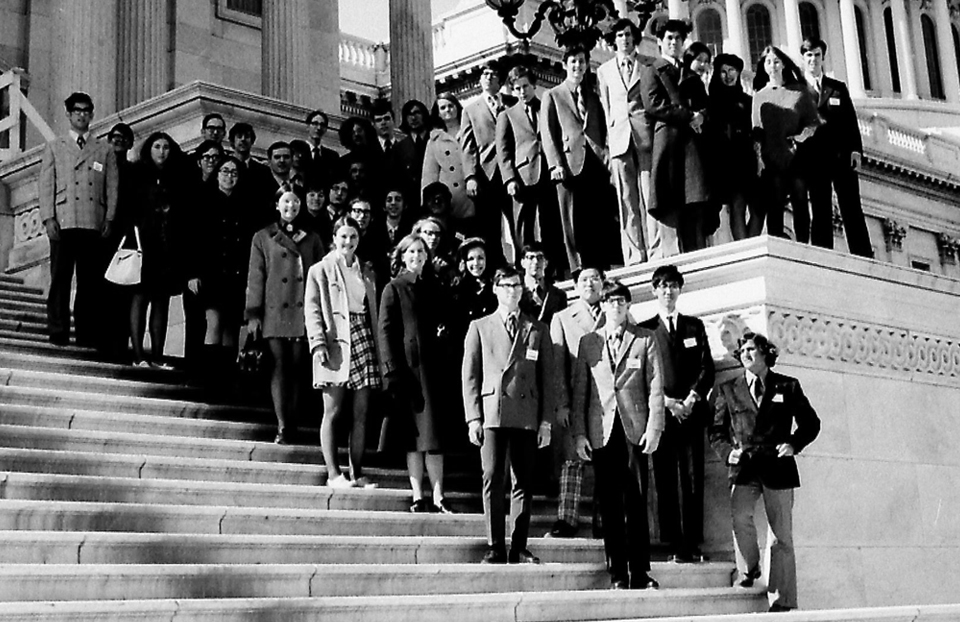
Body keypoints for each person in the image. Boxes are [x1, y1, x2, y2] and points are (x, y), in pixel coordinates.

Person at [709, 332, 821, 612]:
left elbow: (811, 423)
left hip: (778, 467)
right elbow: (716, 431)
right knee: (740, 517)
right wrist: (727, 453)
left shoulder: (788, 385)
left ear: (766, 354)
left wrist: (794, 444)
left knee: (782, 536)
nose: (746, 354)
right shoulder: (728, 388)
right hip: (744, 466)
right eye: (743, 350)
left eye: (752, 350)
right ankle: (751, 567)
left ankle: (783, 600)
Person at [571, 279, 664, 590]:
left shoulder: (645, 339)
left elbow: (654, 387)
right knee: (610, 504)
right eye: (611, 302)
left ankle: (640, 571)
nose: (617, 307)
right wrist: (580, 433)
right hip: (601, 429)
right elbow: (581, 390)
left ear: (628, 306)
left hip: (634, 430)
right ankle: (617, 572)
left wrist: (655, 428)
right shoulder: (589, 342)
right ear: (604, 306)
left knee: (637, 501)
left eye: (622, 302)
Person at [462, 266, 553, 565]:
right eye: (505, 285)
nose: (511, 290)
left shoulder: (537, 329)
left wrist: (545, 421)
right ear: (495, 289)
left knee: (523, 480)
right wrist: (473, 417)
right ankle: (494, 544)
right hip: (492, 412)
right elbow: (470, 375)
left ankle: (519, 544)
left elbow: (546, 379)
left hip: (527, 412)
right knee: (492, 476)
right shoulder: (480, 326)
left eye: (516, 285)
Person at [638, 265, 715, 563]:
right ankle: (673, 541)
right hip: (662, 413)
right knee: (666, 477)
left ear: (680, 290)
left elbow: (707, 367)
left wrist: (692, 399)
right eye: (663, 286)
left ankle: (693, 541)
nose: (668, 291)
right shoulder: (645, 330)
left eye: (673, 285)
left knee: (693, 478)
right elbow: (644, 374)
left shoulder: (694, 326)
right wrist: (669, 403)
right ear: (655, 290)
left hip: (692, 413)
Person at [305, 216, 382, 489]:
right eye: (343, 236)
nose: (348, 242)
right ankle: (333, 473)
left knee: (361, 412)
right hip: (335, 338)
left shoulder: (367, 271)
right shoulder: (320, 270)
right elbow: (312, 309)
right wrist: (318, 343)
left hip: (363, 336)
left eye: (353, 237)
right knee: (333, 410)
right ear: (334, 237)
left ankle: (357, 471)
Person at [379, 234, 453, 514]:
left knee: (433, 435)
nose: (417, 256)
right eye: (411, 252)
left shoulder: (435, 286)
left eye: (421, 251)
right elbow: (385, 331)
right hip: (408, 370)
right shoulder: (394, 288)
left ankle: (439, 495)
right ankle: (417, 495)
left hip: (433, 368)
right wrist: (392, 370)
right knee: (413, 436)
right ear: (402, 256)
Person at [39, 92, 118, 347]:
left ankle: (86, 332)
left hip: (93, 221)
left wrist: (110, 217)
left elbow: (112, 186)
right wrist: (48, 217)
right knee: (60, 278)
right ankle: (58, 329)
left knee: (90, 282)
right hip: (64, 218)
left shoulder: (103, 149)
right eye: (77, 110)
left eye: (86, 110)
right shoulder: (55, 146)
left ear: (92, 114)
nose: (81, 115)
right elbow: (46, 185)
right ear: (68, 114)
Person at [246, 189, 325, 444]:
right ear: (277, 205)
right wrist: (253, 313)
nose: (290, 206)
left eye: (295, 201)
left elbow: (321, 276)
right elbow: (256, 277)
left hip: (303, 310)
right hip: (274, 309)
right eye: (285, 201)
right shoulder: (263, 237)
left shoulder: (312, 238)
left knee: (298, 368)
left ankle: (294, 420)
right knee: (279, 367)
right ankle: (283, 425)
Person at [541, 45, 619, 273]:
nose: (578, 66)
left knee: (597, 216)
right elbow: (548, 133)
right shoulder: (552, 95)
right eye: (573, 61)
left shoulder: (593, 97)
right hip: (568, 164)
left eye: (582, 61)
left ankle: (600, 263)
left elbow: (602, 129)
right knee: (572, 218)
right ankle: (578, 267)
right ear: (565, 65)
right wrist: (555, 164)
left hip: (594, 162)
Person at [641, 20, 710, 257]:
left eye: (678, 39)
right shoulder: (652, 69)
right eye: (669, 38)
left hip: (692, 145)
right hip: (669, 143)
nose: (674, 43)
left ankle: (696, 255)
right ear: (660, 41)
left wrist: (701, 116)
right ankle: (673, 258)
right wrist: (689, 115)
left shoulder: (690, 74)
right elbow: (654, 105)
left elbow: (704, 105)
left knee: (694, 202)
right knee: (671, 205)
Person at [799, 38, 873, 257]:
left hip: (841, 156)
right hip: (814, 157)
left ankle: (863, 254)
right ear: (803, 58)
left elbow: (850, 122)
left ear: (823, 57)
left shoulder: (837, 88)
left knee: (851, 207)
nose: (813, 59)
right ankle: (824, 255)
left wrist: (856, 150)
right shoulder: (797, 90)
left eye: (817, 54)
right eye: (809, 55)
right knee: (820, 208)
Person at [547, 266, 605, 538]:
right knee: (572, 460)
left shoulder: (617, 311)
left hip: (606, 401)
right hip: (575, 397)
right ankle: (567, 519)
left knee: (605, 459)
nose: (589, 284)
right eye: (584, 280)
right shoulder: (562, 318)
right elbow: (557, 365)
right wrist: (561, 403)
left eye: (595, 278)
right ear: (575, 286)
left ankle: (603, 520)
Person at [129, 132, 189, 369]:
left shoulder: (176, 177)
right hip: (144, 244)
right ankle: (137, 353)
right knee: (140, 298)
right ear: (149, 149)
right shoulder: (138, 174)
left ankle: (157, 355)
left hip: (167, 246)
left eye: (166, 147)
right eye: (157, 146)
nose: (162, 152)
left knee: (162, 301)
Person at [198, 156, 262, 373]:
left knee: (231, 329)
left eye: (234, 172)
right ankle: (210, 378)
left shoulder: (246, 204)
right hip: (211, 273)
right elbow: (192, 239)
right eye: (225, 171)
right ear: (217, 174)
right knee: (213, 323)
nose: (229, 176)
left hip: (237, 275)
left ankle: (225, 379)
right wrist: (192, 273)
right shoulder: (204, 200)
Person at [597, 18, 652, 266]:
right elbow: (606, 108)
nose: (625, 39)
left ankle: (655, 249)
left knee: (649, 194)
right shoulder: (604, 71)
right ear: (614, 39)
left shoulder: (648, 64)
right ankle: (633, 253)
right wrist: (609, 145)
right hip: (620, 138)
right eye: (620, 35)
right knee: (627, 200)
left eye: (629, 34)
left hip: (645, 136)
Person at [752, 45, 820, 240]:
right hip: (771, 155)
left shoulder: (799, 92)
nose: (772, 66)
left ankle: (803, 245)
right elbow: (756, 129)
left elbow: (812, 122)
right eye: (768, 62)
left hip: (796, 154)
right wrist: (758, 159)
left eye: (775, 61)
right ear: (763, 66)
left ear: (783, 64)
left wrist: (801, 138)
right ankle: (776, 245)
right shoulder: (759, 95)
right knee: (775, 201)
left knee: (800, 198)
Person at [496, 66, 562, 266]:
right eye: (517, 88)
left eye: (525, 86)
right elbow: (503, 150)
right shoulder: (507, 115)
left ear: (534, 86)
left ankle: (553, 265)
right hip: (523, 175)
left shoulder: (546, 108)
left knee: (550, 221)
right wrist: (509, 178)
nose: (522, 91)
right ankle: (525, 266)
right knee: (523, 224)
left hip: (548, 172)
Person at [461, 60, 516, 265]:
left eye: (493, 74)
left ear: (500, 81)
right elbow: (468, 146)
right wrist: (471, 177)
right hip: (487, 174)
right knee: (490, 226)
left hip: (511, 172)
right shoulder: (471, 110)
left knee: (517, 222)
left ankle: (521, 263)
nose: (488, 77)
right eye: (484, 74)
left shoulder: (512, 103)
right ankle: (497, 266)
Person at [708, 54, 761, 240]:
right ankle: (743, 246)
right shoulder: (713, 100)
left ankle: (750, 244)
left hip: (748, 156)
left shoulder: (747, 100)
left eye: (731, 71)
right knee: (737, 205)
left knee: (758, 208)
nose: (728, 75)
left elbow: (756, 129)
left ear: (738, 73)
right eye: (723, 71)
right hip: (727, 159)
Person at [422, 93, 475, 230]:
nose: (448, 110)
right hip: (449, 200)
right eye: (443, 107)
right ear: (438, 113)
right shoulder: (434, 140)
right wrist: (428, 204)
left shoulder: (471, 131)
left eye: (451, 106)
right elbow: (429, 175)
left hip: (472, 194)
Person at [229, 122, 275, 229]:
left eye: (247, 136)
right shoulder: (224, 168)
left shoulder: (263, 171)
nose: (243, 140)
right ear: (232, 141)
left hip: (255, 227)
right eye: (239, 137)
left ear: (252, 141)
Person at [391, 100, 431, 213]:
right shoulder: (399, 148)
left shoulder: (434, 141)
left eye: (417, 113)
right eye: (409, 114)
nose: (413, 118)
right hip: (410, 203)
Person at [518, 243, 566, 326]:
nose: (536, 262)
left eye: (540, 258)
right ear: (523, 263)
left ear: (546, 263)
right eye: (531, 258)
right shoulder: (516, 292)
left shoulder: (559, 295)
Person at [412, 215, 458, 287]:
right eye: (429, 233)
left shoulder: (447, 262)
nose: (434, 237)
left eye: (437, 234)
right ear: (419, 233)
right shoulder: (411, 257)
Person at [305, 109, 341, 186]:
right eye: (315, 123)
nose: (318, 128)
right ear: (308, 126)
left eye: (322, 125)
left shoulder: (332, 157)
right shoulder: (298, 150)